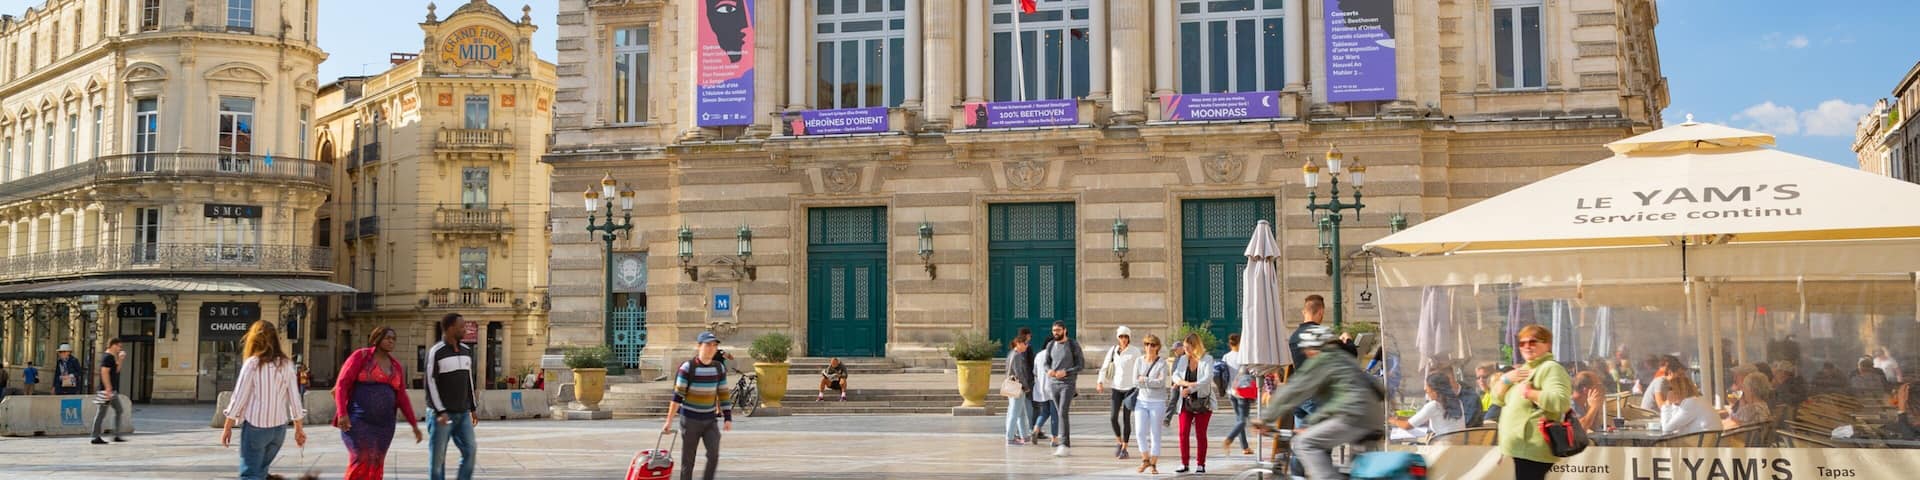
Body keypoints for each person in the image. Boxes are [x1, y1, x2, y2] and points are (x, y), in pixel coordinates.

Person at [1253, 324, 1384, 480]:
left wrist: (1265, 419)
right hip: (1373, 417)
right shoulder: (1345, 358)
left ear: (1312, 348)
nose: (1307, 354)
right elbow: (1358, 392)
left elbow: (1294, 390)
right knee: (1359, 472)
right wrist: (1313, 423)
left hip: (1353, 416)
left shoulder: (1322, 359)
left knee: (1304, 444)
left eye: (1306, 350)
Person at [335, 326, 425, 480]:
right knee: (360, 460)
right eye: (387, 338)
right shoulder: (361, 356)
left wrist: (414, 425)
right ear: (377, 339)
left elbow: (402, 398)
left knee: (376, 464)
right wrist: (342, 413)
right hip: (358, 421)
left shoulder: (396, 366)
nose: (391, 341)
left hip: (385, 426)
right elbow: (342, 384)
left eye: (393, 339)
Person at [220, 321, 307, 480]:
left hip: (256, 427)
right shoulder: (286, 364)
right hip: (279, 430)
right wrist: (299, 429)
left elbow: (239, 397)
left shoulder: (252, 364)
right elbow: (295, 399)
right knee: (261, 472)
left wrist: (227, 426)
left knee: (250, 474)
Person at [1491, 324, 1572, 480]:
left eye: (1533, 342)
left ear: (1547, 345)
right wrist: (1506, 379)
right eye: (1522, 343)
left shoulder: (1550, 368)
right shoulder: (1524, 369)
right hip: (1520, 447)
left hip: (1532, 448)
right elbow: (1497, 399)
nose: (1527, 346)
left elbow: (1561, 402)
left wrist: (1530, 393)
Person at [665, 331, 733, 480]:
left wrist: (728, 418)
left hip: (710, 420)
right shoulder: (687, 368)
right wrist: (669, 421)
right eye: (708, 345)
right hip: (690, 420)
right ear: (699, 346)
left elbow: (723, 393)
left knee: (714, 454)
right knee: (688, 460)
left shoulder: (719, 368)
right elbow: (677, 397)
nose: (711, 348)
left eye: (714, 345)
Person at [425, 313, 480, 480]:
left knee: (470, 450)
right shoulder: (436, 352)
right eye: (461, 326)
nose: (465, 329)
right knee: (438, 460)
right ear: (450, 328)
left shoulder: (466, 351)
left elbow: (469, 380)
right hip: (441, 415)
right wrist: (440, 411)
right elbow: (430, 383)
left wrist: (472, 408)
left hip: (462, 413)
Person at [1169, 333, 1216, 474]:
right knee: (1183, 433)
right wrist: (1183, 383)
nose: (1185, 350)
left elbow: (1206, 379)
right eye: (1184, 347)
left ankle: (1201, 464)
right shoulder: (1183, 359)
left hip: (1203, 402)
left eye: (1187, 347)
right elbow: (1175, 375)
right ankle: (1184, 463)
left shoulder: (1207, 359)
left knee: (1200, 434)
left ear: (1195, 346)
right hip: (1186, 402)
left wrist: (1190, 388)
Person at [1039, 321, 1085, 457]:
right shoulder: (1050, 345)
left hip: (1068, 383)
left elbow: (1081, 365)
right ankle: (1065, 444)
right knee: (1060, 413)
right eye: (1054, 330)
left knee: (1063, 412)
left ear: (1064, 330)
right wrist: (1049, 370)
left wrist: (1066, 372)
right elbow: (1046, 363)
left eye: (1058, 330)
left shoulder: (1073, 344)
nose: (1055, 333)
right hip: (1053, 384)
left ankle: (1064, 444)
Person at [1097, 326, 1141, 460]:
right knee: (1113, 417)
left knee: (1126, 419)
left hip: (1130, 389)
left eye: (1126, 337)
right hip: (1116, 387)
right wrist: (1100, 382)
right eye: (1121, 337)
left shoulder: (1135, 351)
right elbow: (1105, 367)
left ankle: (1124, 448)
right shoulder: (1112, 351)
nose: (1123, 339)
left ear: (1129, 338)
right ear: (1118, 338)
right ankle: (1119, 441)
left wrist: (1139, 385)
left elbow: (1140, 368)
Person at [1132, 334, 1171, 475]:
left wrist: (1145, 379)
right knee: (1139, 432)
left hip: (1157, 402)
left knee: (1155, 434)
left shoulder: (1162, 363)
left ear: (1157, 347)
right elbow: (1135, 381)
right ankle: (1145, 459)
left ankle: (1153, 463)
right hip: (1141, 401)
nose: (1149, 347)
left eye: (1152, 345)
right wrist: (1149, 381)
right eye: (1147, 344)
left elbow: (1161, 383)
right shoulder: (1139, 361)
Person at [1394, 372, 1469, 438]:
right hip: (1459, 445)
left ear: (1435, 391)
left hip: (1443, 446)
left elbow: (1406, 426)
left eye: (1428, 391)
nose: (1426, 391)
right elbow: (1441, 421)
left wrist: (1392, 420)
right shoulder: (1458, 402)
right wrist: (1403, 418)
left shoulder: (1433, 406)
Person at [1220, 333, 1255, 455]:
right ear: (1240, 343)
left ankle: (1245, 447)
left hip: (1231, 391)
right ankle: (1229, 439)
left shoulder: (1226, 357)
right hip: (1242, 391)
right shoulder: (1244, 357)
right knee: (1242, 420)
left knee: (1239, 420)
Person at [90, 339, 129, 445]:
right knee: (101, 413)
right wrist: (108, 388)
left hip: (111, 391)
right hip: (106, 391)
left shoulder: (111, 357)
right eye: (119, 346)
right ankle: (95, 437)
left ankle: (116, 435)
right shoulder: (107, 357)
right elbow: (104, 372)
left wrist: (120, 359)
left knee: (119, 410)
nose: (120, 348)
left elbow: (116, 371)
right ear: (113, 345)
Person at [1005, 333, 1035, 446]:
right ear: (1018, 343)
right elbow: (1019, 373)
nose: (1027, 346)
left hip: (1011, 385)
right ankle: (1010, 437)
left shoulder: (1011, 354)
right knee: (1014, 413)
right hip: (1017, 386)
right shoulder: (1017, 355)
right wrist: (1026, 386)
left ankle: (1024, 436)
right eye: (1025, 343)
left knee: (1021, 413)